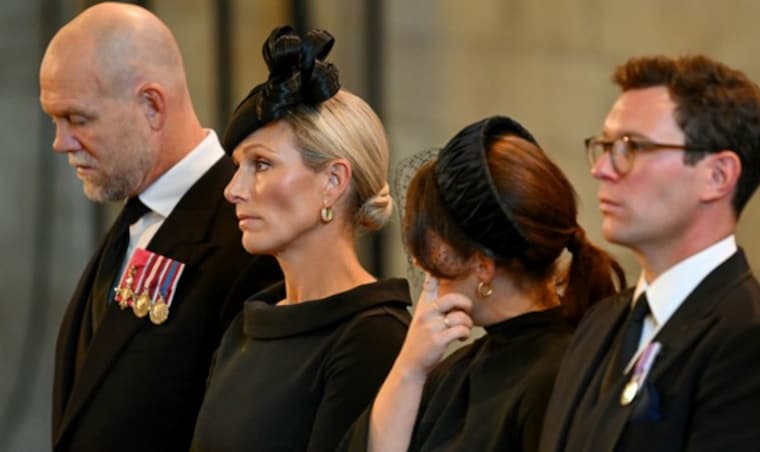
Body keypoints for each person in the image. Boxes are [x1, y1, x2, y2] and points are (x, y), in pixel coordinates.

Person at [40, 3, 281, 452]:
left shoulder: (248, 237)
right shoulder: (140, 211)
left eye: (77, 118)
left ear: (151, 105)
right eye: (54, 120)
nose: (60, 142)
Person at [540, 55, 760, 452]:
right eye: (605, 145)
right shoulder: (600, 323)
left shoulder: (752, 342)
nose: (602, 169)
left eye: (631, 146)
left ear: (717, 176)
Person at [340, 115, 626, 452]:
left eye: (434, 247)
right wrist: (409, 369)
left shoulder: (558, 378)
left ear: (482, 266)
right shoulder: (456, 369)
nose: (420, 262)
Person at [189, 26, 411, 452]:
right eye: (238, 165)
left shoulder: (372, 337)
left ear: (332, 181)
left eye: (261, 164)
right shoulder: (248, 325)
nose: (232, 190)